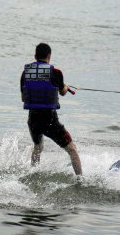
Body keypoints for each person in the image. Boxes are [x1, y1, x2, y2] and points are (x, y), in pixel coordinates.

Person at [20, 43, 82, 176]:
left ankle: (33, 174)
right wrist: (65, 86)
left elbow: (23, 98)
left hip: (33, 120)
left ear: (35, 56)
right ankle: (81, 180)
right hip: (50, 120)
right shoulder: (56, 73)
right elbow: (63, 92)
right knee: (72, 149)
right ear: (49, 56)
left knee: (38, 147)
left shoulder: (25, 73)